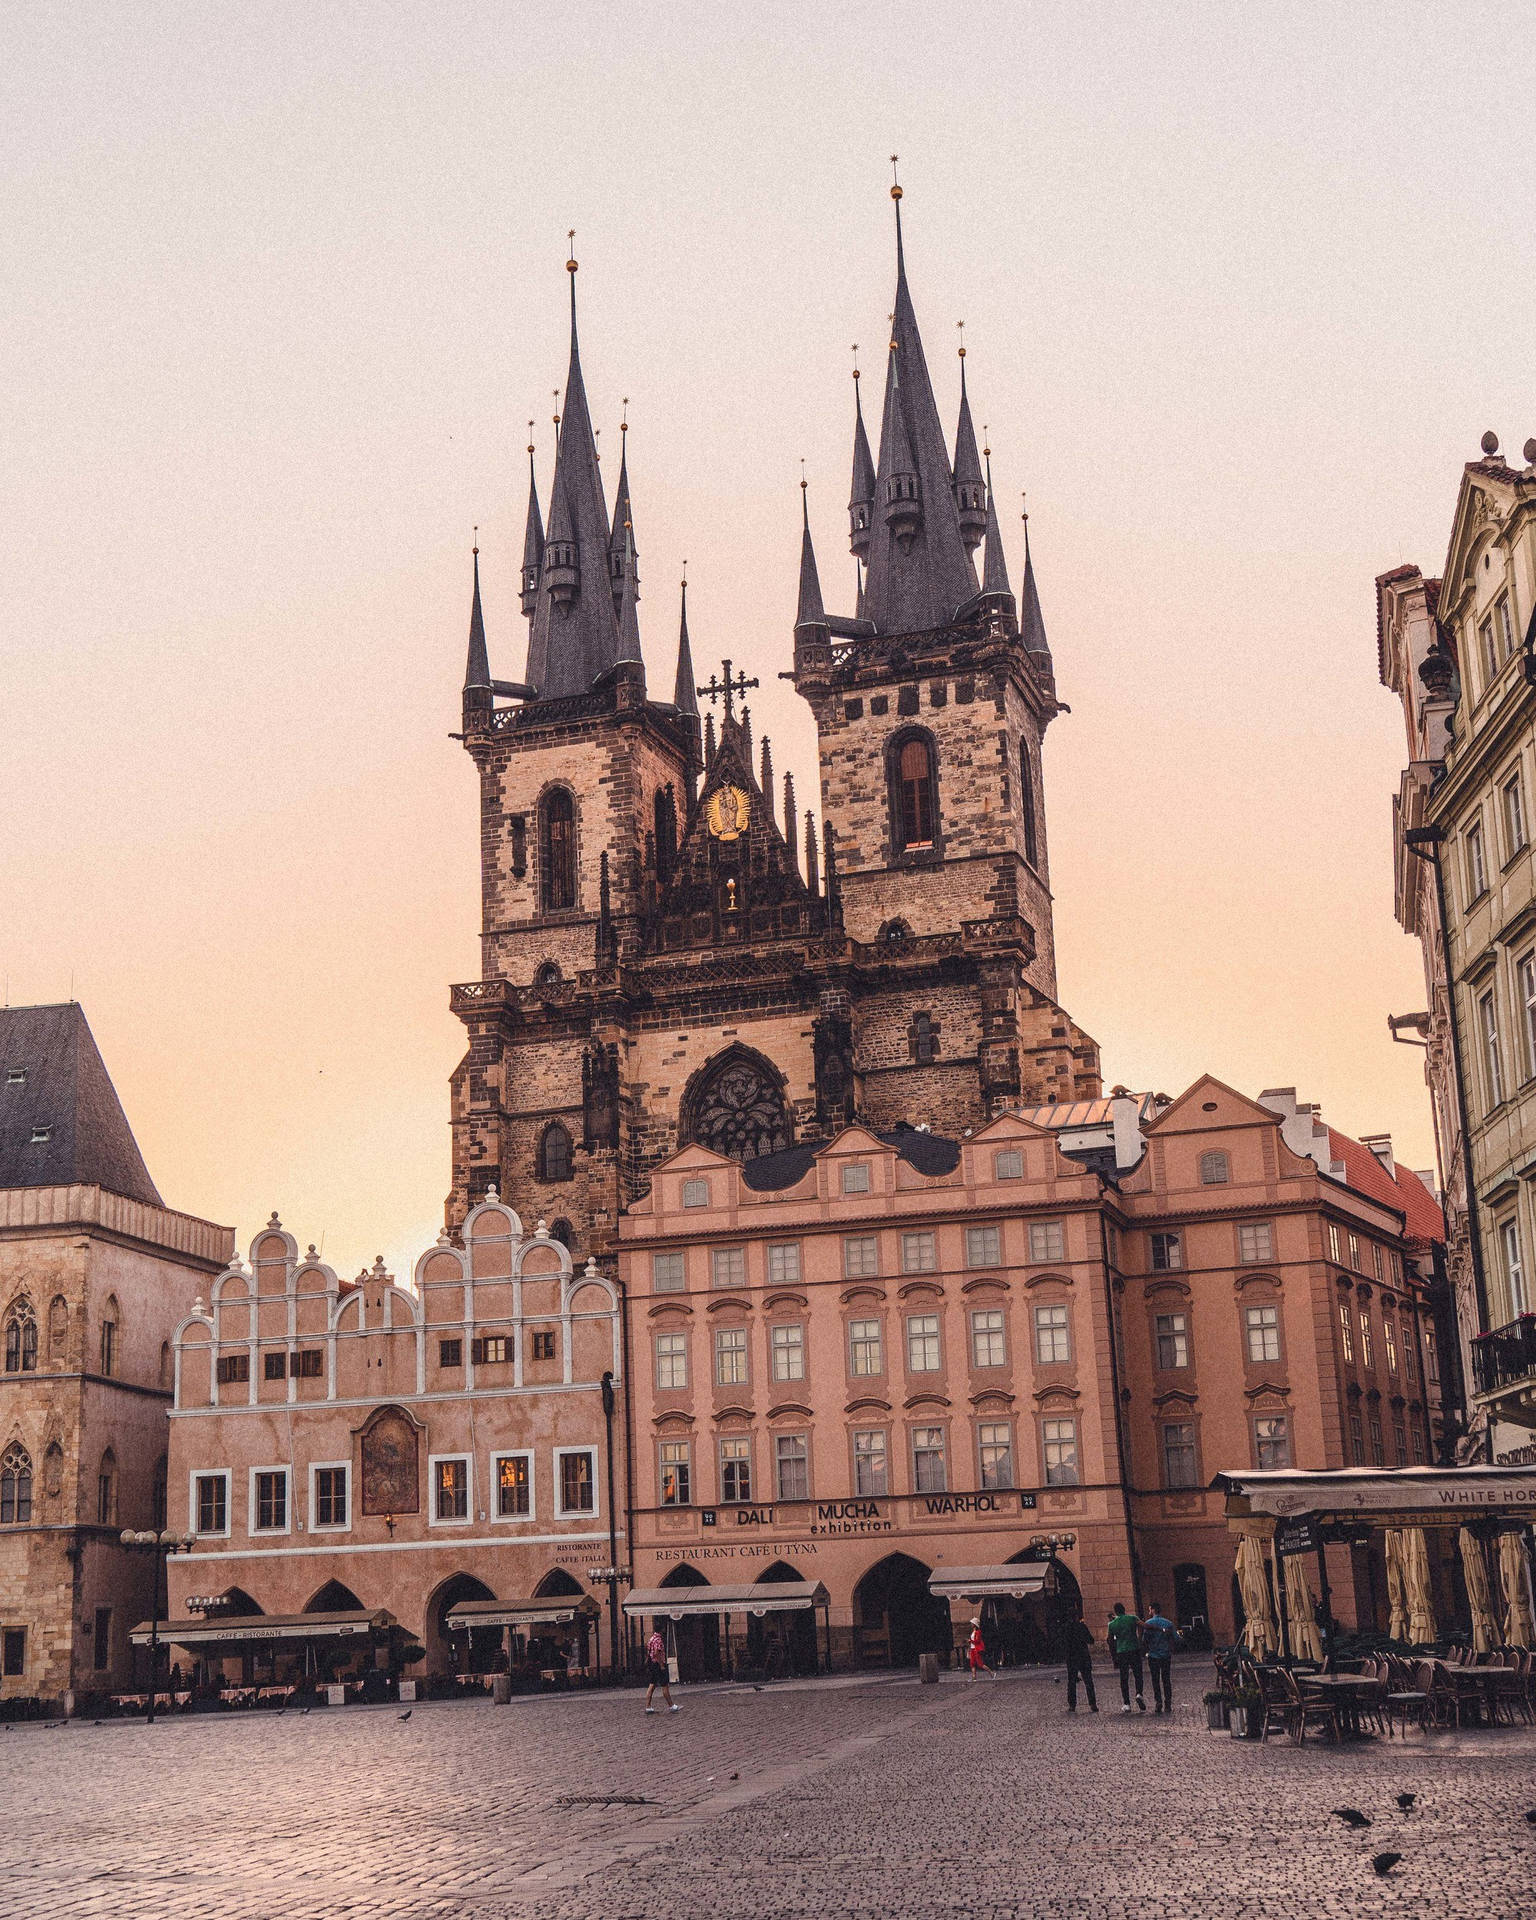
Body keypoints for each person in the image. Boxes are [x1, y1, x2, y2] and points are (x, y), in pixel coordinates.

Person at [1106, 1602, 1145, 1713]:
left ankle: (1127, 1703)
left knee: (1124, 1678)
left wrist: (1114, 1656)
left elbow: (1110, 1640)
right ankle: (1139, 1693)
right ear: (1124, 1609)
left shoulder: (1112, 1624)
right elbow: (1143, 1625)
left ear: (1116, 1612)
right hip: (1134, 1649)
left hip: (1121, 1651)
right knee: (1138, 1674)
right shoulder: (1132, 1618)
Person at [1143, 1602, 1177, 1715]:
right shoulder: (1168, 1623)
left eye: (1149, 1610)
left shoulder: (1148, 1623)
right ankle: (1168, 1703)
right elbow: (1176, 1638)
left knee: (1155, 1679)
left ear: (1153, 1610)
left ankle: (1158, 1702)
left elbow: (1144, 1640)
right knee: (1166, 1679)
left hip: (1153, 1656)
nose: (1149, 1612)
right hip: (1165, 1655)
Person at [1064, 1611, 1097, 1713]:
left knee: (1072, 1682)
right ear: (1076, 1616)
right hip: (1083, 1656)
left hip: (1071, 1657)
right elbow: (1091, 1640)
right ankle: (1092, 1704)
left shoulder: (1065, 1628)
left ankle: (1072, 1705)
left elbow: (1063, 1643)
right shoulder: (1082, 1627)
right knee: (1088, 1681)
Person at [643, 1628, 679, 1713]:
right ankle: (671, 1705)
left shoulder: (651, 1639)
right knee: (665, 1685)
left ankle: (648, 1706)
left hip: (652, 1664)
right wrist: (661, 1665)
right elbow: (656, 1653)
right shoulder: (658, 1640)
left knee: (652, 1685)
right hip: (658, 1664)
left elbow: (649, 1652)